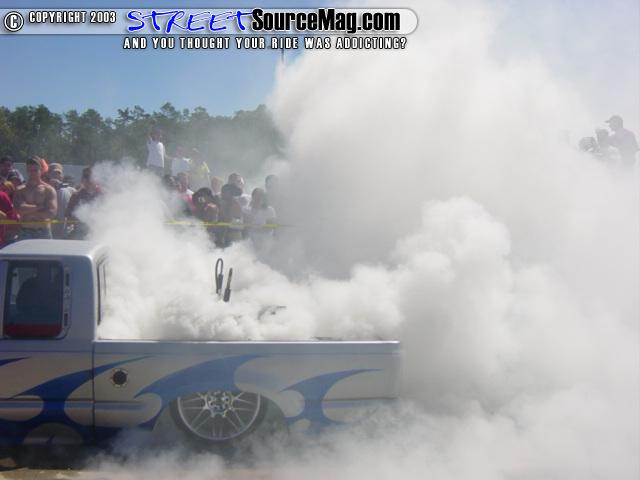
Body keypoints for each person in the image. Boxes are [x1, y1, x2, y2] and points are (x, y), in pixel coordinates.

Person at [13, 156, 57, 240]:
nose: (32, 173)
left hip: (43, 231)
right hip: (25, 231)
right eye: (30, 170)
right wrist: (40, 207)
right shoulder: (20, 190)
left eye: (35, 170)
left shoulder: (48, 190)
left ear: (41, 170)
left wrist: (28, 211)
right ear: (27, 171)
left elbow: (51, 213)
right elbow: (18, 209)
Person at [65, 167, 102, 239]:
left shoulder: (103, 195)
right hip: (80, 232)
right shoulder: (76, 195)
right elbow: (68, 215)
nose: (87, 179)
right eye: (85, 176)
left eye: (90, 176)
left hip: (100, 232)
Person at [47, 163, 76, 239]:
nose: (57, 176)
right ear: (49, 175)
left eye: (59, 173)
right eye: (54, 173)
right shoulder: (45, 189)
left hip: (66, 229)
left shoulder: (71, 190)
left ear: (62, 175)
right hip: (50, 229)